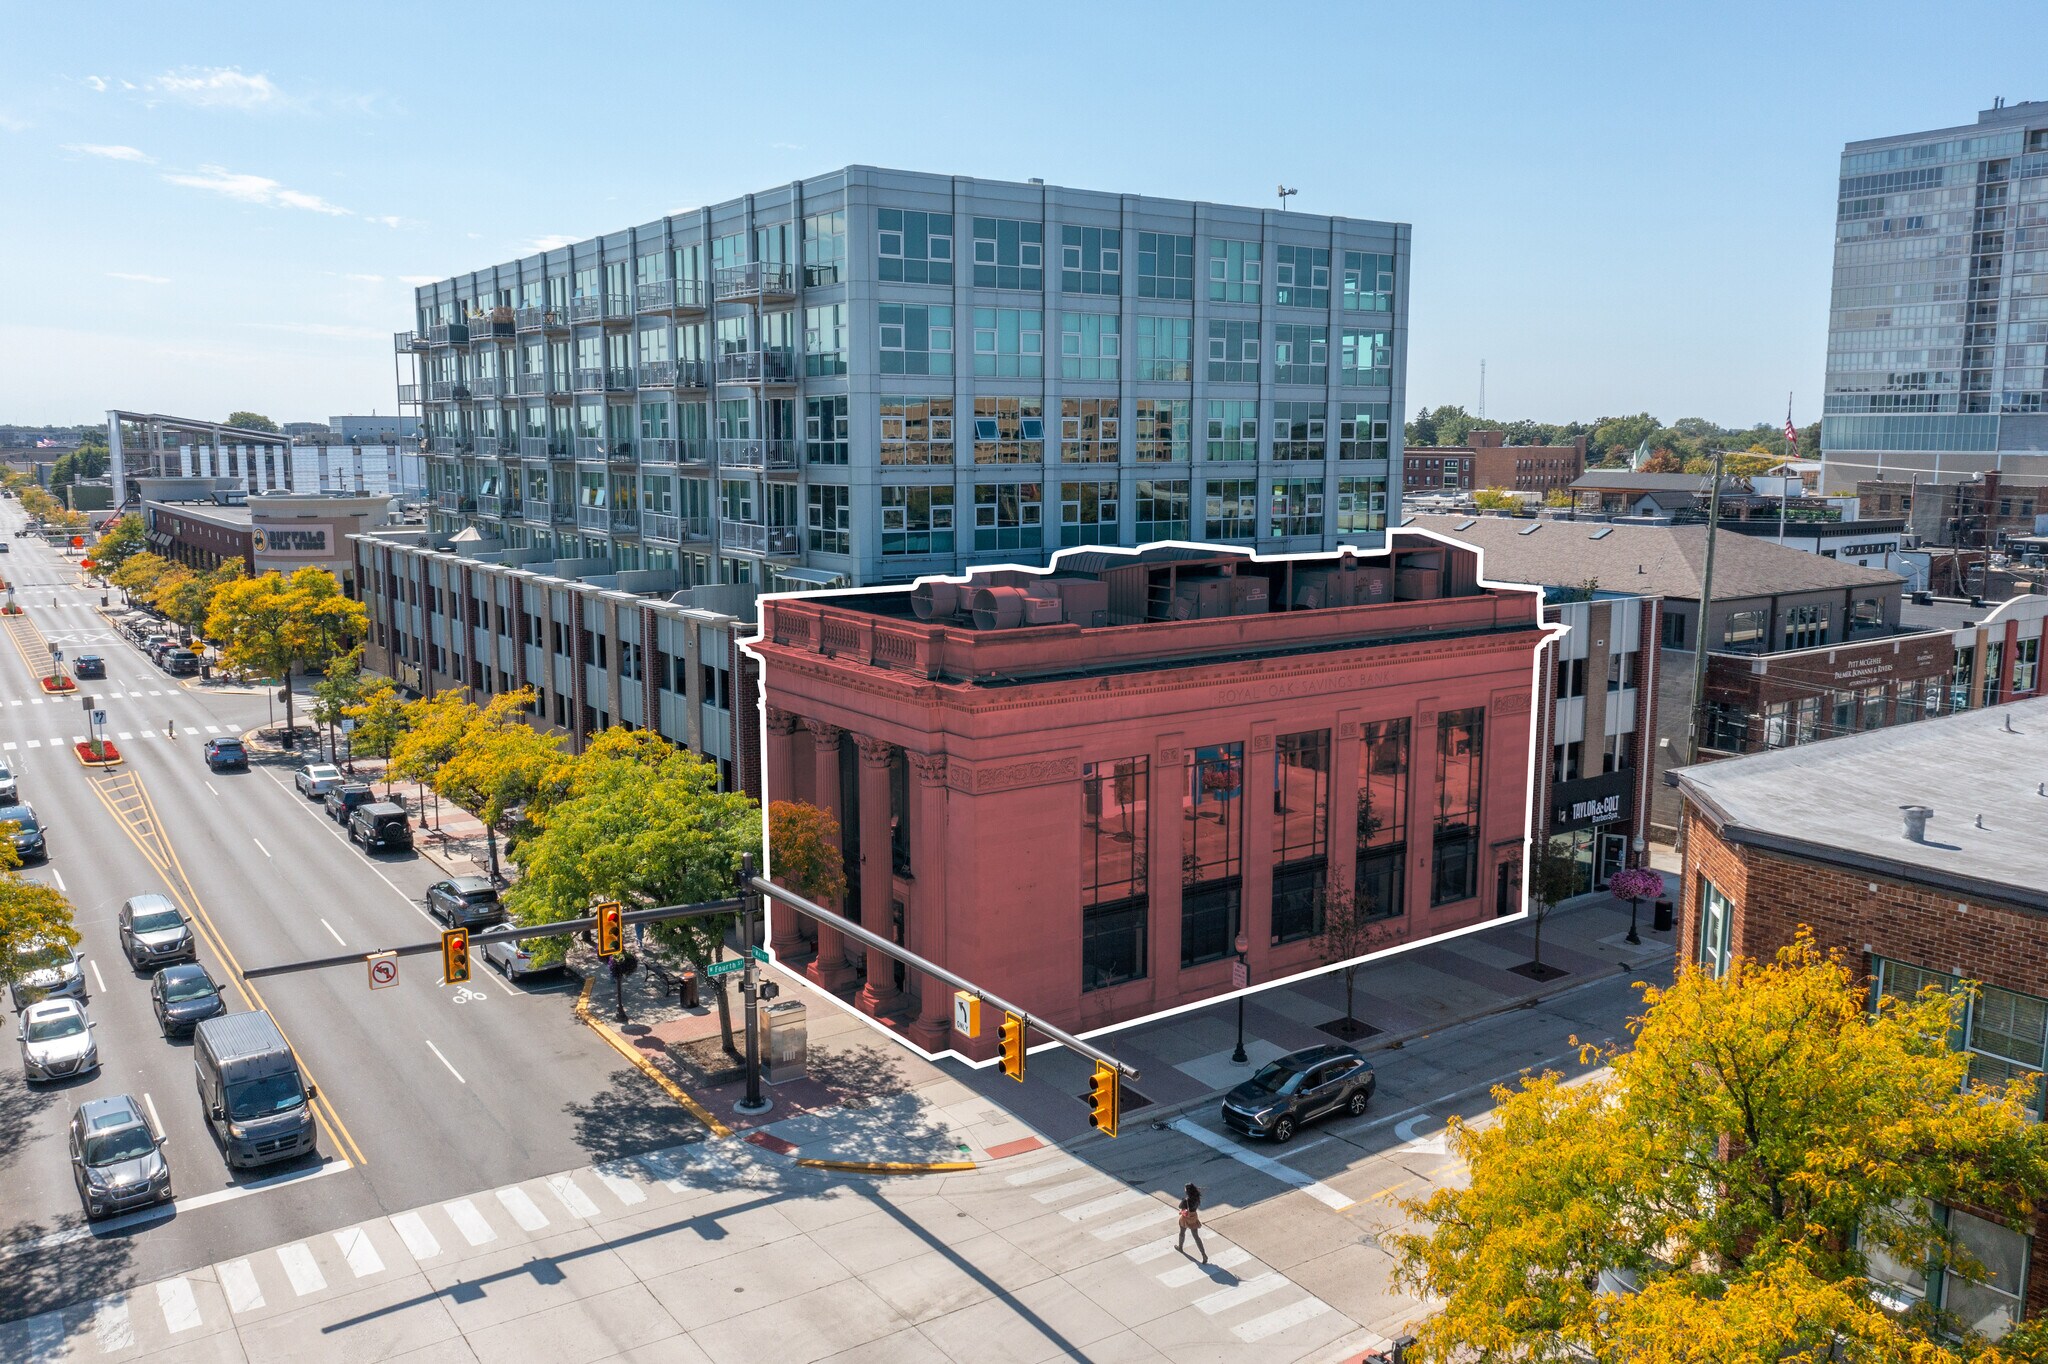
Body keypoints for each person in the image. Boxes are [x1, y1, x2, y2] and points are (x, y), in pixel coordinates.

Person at [1176, 1182, 1206, 1262]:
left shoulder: (1186, 1200)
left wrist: (1183, 1200)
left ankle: (1180, 1247)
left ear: (1187, 1191)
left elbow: (1180, 1206)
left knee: (1182, 1232)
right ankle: (1203, 1254)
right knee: (1196, 1237)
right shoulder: (1196, 1197)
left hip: (1186, 1218)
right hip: (1193, 1217)